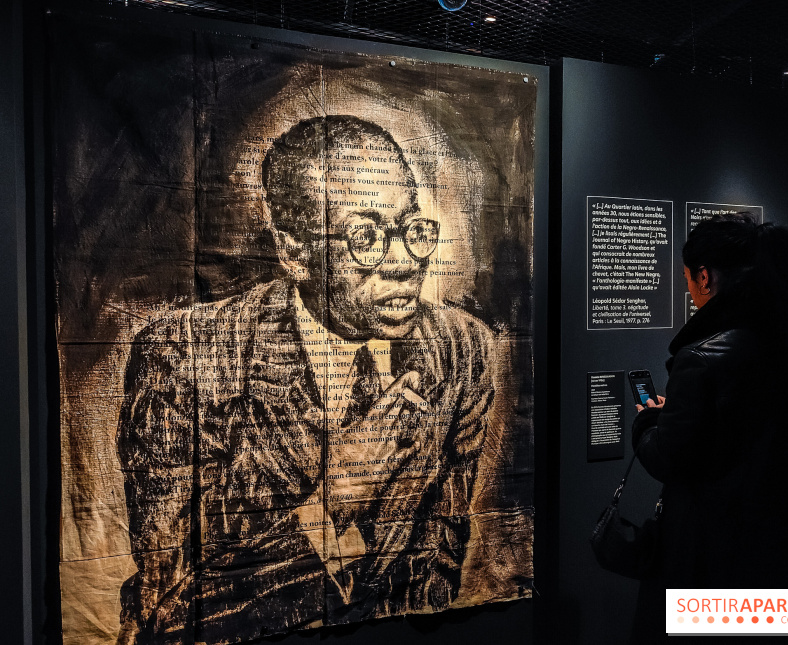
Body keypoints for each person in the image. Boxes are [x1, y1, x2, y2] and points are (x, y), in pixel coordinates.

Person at [116, 116, 501, 644]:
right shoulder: (187, 357)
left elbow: (438, 552)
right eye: (365, 235)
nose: (404, 263)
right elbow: (170, 614)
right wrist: (335, 496)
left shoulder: (460, 347)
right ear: (294, 252)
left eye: (412, 229)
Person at [629, 213, 788, 644]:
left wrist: (647, 420)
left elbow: (669, 456)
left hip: (712, 556)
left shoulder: (700, 358)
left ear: (705, 276)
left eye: (688, 280)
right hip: (783, 549)